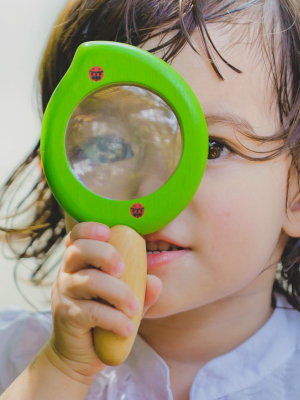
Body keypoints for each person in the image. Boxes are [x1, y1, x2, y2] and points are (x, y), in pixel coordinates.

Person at [0, 0, 300, 399]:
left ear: (295, 193)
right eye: (109, 146)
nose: (150, 186)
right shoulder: (16, 360)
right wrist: (62, 370)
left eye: (212, 148)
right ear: (59, 170)